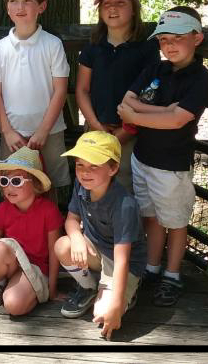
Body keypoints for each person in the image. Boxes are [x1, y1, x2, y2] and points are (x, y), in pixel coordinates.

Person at [117, 6, 208, 307]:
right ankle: (152, 267)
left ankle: (172, 275)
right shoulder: (156, 69)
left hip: (172, 166)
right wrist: (164, 111)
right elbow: (127, 100)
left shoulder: (200, 78)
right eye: (163, 40)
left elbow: (177, 120)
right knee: (151, 217)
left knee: (175, 221)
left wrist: (138, 116)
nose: (169, 45)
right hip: (142, 158)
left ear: (197, 38)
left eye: (177, 38)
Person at [54, 131, 147, 340]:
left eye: (94, 165)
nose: (85, 172)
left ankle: (127, 291)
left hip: (121, 263)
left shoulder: (124, 205)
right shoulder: (81, 185)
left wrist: (116, 305)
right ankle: (88, 287)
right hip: (96, 250)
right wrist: (77, 237)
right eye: (79, 165)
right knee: (63, 245)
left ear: (113, 169)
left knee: (103, 314)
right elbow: (71, 219)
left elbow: (122, 260)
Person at [0, 0, 70, 202]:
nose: (20, 7)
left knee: (48, 184)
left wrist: (43, 130)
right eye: (14, 1)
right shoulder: (1, 48)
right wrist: (7, 130)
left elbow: (60, 90)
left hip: (49, 131)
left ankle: (50, 223)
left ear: (41, 6)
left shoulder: (52, 44)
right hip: (13, 133)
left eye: (28, 1)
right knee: (11, 183)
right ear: (7, 8)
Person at [75, 0, 160, 193]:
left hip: (132, 131)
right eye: (106, 3)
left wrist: (127, 130)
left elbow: (150, 93)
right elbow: (82, 90)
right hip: (96, 128)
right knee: (92, 184)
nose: (112, 8)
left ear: (134, 8)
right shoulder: (94, 46)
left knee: (125, 186)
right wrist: (95, 125)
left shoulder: (146, 47)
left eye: (120, 3)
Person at [0, 146, 63, 316]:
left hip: (36, 268)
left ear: (36, 183)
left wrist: (52, 289)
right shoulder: (2, 209)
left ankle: (21, 288)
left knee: (14, 306)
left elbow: (54, 253)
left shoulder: (49, 211)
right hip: (12, 265)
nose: (9, 188)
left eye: (16, 181)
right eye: (4, 181)